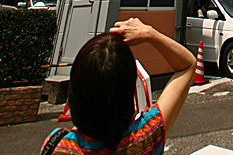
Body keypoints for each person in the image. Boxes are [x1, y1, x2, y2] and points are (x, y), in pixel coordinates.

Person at [40, 18, 196, 154]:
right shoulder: (146, 139)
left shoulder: (56, 147)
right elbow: (187, 66)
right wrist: (150, 33)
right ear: (129, 95)